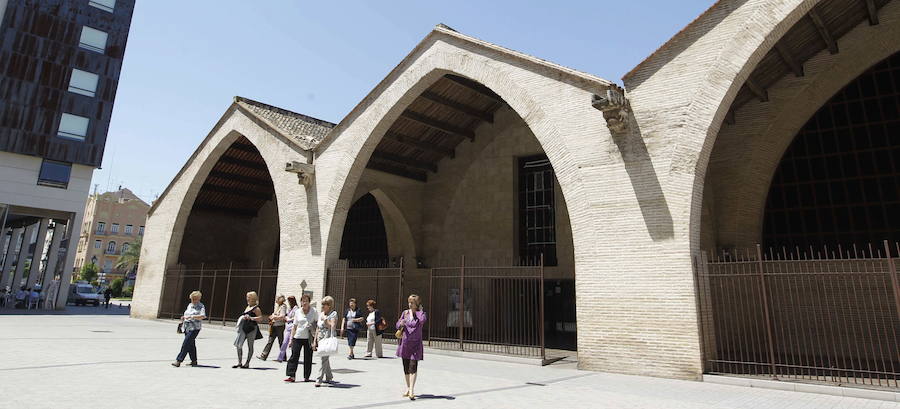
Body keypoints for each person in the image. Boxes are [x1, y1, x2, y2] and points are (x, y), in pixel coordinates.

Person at [396, 294, 427, 400]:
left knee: (413, 366)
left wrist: (420, 311)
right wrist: (401, 323)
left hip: (416, 345)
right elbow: (397, 324)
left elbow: (423, 320)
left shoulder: (420, 314)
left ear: (417, 304)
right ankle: (408, 387)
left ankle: (412, 390)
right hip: (405, 344)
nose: (410, 304)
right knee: (406, 367)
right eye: (409, 302)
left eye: (412, 302)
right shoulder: (405, 313)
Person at [284, 294, 317, 383]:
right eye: (303, 301)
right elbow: (294, 326)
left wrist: (315, 339)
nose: (304, 303)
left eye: (306, 301)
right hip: (298, 337)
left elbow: (317, 325)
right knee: (294, 356)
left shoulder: (314, 311)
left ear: (309, 302)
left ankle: (306, 376)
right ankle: (291, 376)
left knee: (308, 357)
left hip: (309, 337)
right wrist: (291, 339)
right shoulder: (298, 311)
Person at [172, 291, 206, 367]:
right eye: (192, 299)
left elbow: (203, 316)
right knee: (191, 344)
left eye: (194, 299)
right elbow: (187, 314)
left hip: (195, 328)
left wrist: (193, 316)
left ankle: (178, 360)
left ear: (198, 298)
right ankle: (194, 361)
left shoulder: (201, 306)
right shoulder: (190, 305)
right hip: (187, 327)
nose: (193, 300)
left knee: (186, 343)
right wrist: (184, 317)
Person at [233, 291, 263, 369]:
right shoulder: (247, 306)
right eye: (247, 297)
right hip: (243, 327)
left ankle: (247, 363)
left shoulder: (256, 308)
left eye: (248, 297)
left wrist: (251, 318)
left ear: (253, 298)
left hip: (252, 328)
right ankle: (239, 362)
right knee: (239, 345)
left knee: (250, 346)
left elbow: (260, 318)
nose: (247, 298)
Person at [313, 295, 338, 387]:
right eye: (322, 304)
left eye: (325, 304)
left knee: (324, 359)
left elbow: (332, 326)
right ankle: (329, 376)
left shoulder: (333, 314)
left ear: (330, 305)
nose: (323, 306)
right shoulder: (321, 314)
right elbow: (317, 328)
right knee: (324, 358)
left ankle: (319, 379)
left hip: (327, 339)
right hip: (320, 338)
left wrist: (326, 320)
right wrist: (314, 340)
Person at [258, 294, 288, 361]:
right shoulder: (278, 306)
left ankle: (283, 356)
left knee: (281, 341)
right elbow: (275, 314)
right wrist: (272, 316)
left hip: (280, 326)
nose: (276, 299)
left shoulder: (283, 306)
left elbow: (282, 316)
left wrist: (274, 317)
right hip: (274, 325)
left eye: (277, 298)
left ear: (280, 299)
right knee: (270, 341)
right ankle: (263, 356)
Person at [277, 296, 299, 362]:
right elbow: (287, 315)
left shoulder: (296, 308)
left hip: (293, 327)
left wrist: (289, 319)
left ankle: (293, 358)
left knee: (292, 343)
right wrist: (286, 317)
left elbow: (296, 317)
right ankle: (280, 357)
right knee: (284, 342)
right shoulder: (290, 308)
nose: (289, 303)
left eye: (289, 301)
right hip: (288, 327)